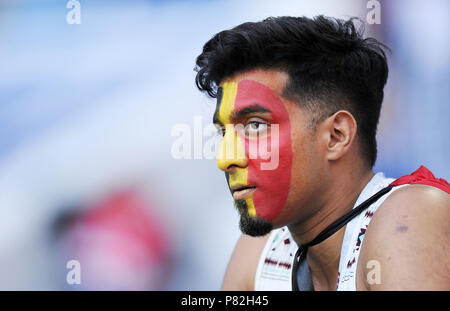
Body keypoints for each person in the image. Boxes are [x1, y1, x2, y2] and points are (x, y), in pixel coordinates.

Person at [194, 16, 450, 291]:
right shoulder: (259, 257)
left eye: (255, 126)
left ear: (336, 136)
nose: (225, 159)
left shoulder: (409, 216)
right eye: (225, 133)